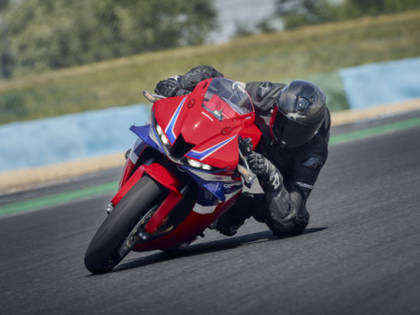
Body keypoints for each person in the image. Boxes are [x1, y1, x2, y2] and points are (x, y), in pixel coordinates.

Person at [154, 65, 330, 237]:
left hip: (277, 172)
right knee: (207, 77)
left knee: (293, 224)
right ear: (276, 107)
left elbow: (289, 215)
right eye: (285, 122)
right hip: (247, 142)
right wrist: (182, 89)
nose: (288, 132)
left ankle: (234, 211)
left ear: (312, 130)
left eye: (298, 129)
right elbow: (225, 86)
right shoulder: (267, 94)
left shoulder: (314, 153)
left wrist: (272, 176)